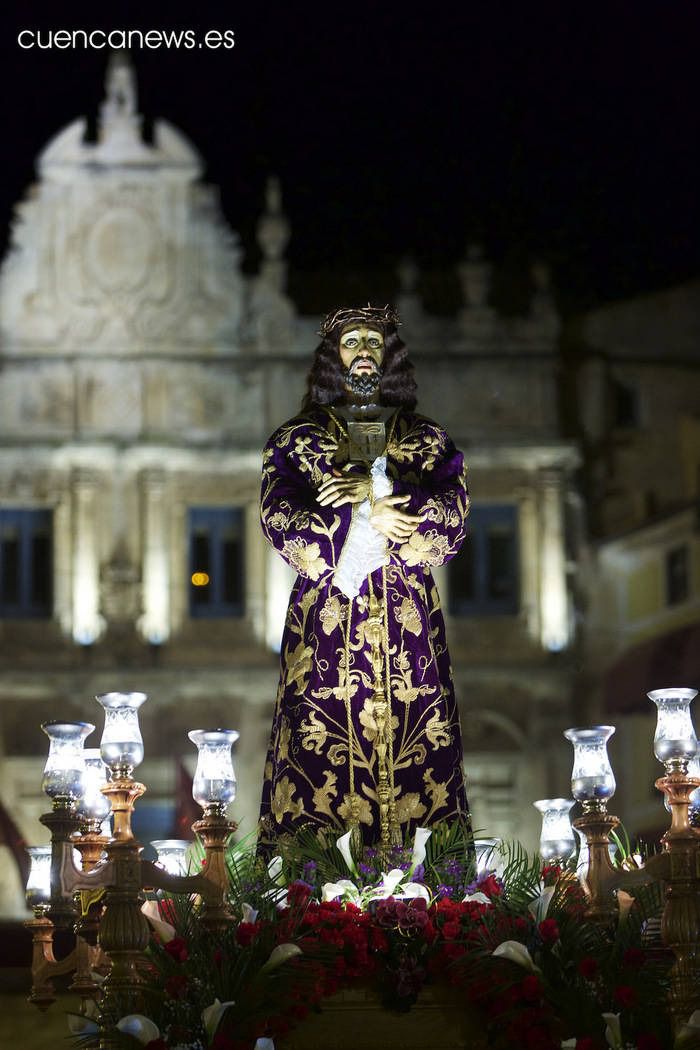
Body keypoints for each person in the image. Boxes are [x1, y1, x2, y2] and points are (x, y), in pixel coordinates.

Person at [258, 304, 471, 852]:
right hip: (328, 632)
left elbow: (452, 521)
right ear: (334, 356)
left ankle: (438, 903)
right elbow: (281, 522)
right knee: (314, 762)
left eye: (373, 343)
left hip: (409, 634)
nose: (362, 354)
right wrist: (349, 514)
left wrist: (381, 497)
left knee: (421, 757)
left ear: (389, 356)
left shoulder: (425, 442)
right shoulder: (298, 442)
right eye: (351, 342)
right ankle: (308, 900)